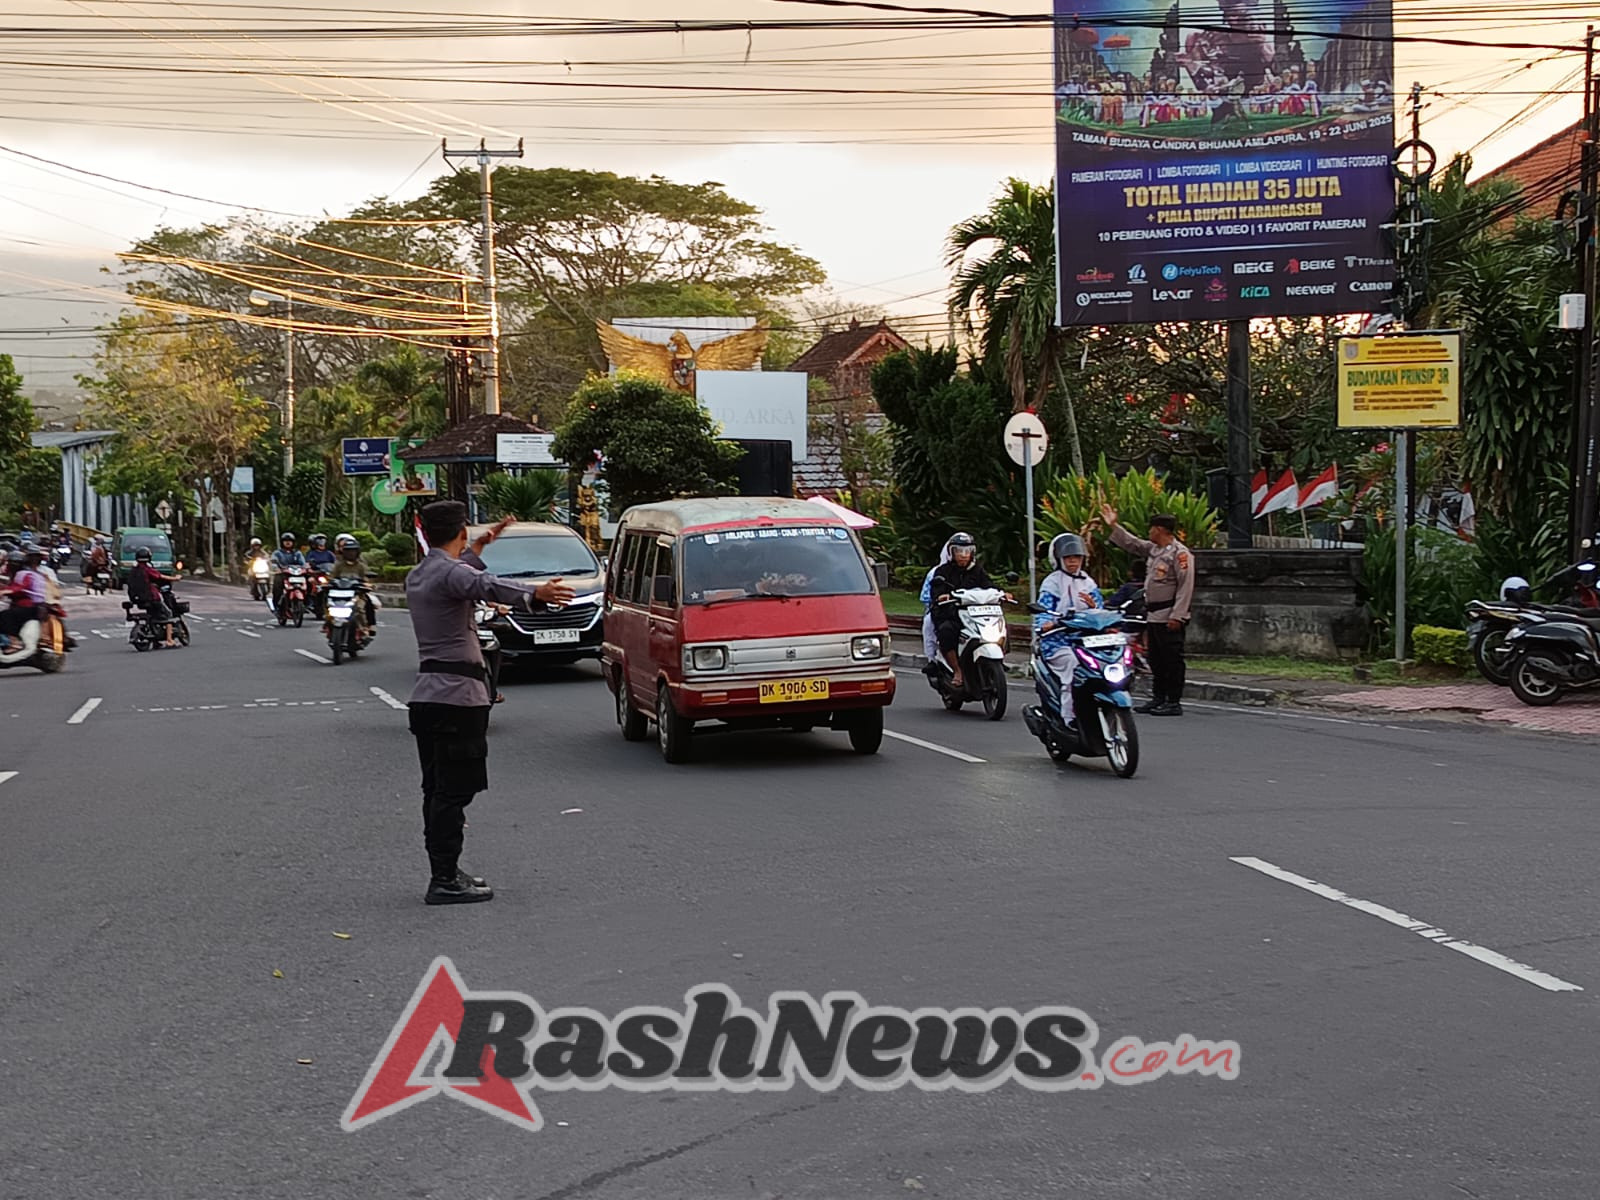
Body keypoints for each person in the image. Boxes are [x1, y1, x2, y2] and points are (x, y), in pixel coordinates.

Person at [406, 501, 574, 905]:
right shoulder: (452, 574)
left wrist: (480, 544)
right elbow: (485, 584)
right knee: (453, 793)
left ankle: (446, 870)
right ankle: (443, 879)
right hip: (457, 699)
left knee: (437, 790)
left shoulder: (420, 574)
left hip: (428, 697)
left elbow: (461, 571)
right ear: (460, 533)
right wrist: (536, 593)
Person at [1100, 504, 1194, 716]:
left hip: (1169, 614)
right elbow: (1132, 543)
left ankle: (1173, 701)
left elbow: (1185, 586)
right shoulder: (1154, 549)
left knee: (1172, 660)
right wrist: (1113, 525)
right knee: (1156, 659)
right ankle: (1158, 697)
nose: (1149, 532)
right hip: (1152, 615)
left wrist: (1178, 615)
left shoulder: (1180, 554)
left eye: (1151, 528)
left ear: (1159, 529)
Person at [1034, 533, 1103, 730]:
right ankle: (1069, 718)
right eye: (1068, 557)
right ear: (1058, 559)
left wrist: (1095, 607)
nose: (1073, 561)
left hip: (1084, 639)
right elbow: (1044, 610)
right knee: (1073, 667)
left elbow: (1100, 609)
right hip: (1057, 640)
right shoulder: (1052, 582)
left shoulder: (1088, 582)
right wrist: (1046, 623)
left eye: (1077, 557)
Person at [927, 532, 999, 690]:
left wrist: (1002, 593)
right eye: (959, 551)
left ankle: (996, 661)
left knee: (1001, 626)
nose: (963, 555)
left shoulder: (977, 570)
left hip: (974, 615)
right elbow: (936, 592)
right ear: (951, 552)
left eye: (967, 551)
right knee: (946, 631)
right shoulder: (942, 572)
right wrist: (942, 596)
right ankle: (957, 670)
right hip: (951, 613)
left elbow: (989, 586)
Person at [460, 517, 514, 705]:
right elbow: (490, 586)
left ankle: (492, 688)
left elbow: (486, 595)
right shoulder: (453, 572)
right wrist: (535, 594)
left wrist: (498, 607)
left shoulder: (456, 567)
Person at [125, 546, 180, 648]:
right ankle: (169, 640)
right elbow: (160, 576)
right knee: (168, 614)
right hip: (152, 598)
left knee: (153, 616)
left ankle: (156, 641)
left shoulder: (133, 571)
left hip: (138, 600)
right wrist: (175, 578)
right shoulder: (147, 569)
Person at [0, 549, 49, 652]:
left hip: (31, 606)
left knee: (5, 616)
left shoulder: (25, 574)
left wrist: (6, 591)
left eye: (15, 563)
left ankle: (13, 642)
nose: (11, 565)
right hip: (20, 605)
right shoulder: (12, 574)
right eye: (10, 562)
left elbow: (21, 587)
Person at [328, 532, 376, 633]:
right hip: (340, 593)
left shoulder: (361, 566)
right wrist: (328, 583)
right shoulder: (338, 565)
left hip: (356, 594)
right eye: (348, 551)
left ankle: (366, 627)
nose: (351, 553)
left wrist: (366, 584)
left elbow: (366, 578)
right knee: (329, 604)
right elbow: (331, 577)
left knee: (361, 607)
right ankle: (327, 624)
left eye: (353, 551)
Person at [269, 532, 306, 610]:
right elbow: (273, 561)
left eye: (290, 541)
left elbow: (303, 563)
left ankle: (307, 603)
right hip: (283, 574)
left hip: (296, 575)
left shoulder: (297, 553)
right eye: (285, 541)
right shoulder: (277, 553)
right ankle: (277, 604)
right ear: (282, 542)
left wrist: (305, 568)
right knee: (277, 584)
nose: (288, 542)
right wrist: (276, 568)